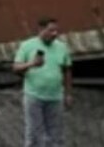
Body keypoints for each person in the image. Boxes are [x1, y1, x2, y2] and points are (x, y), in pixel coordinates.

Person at [12, 17, 72, 147]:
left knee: (56, 134)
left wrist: (68, 94)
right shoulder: (27, 46)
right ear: (41, 30)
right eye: (51, 31)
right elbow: (16, 68)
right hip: (34, 95)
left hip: (55, 96)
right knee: (34, 132)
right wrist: (32, 63)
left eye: (56, 31)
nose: (55, 34)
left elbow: (67, 70)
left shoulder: (62, 47)